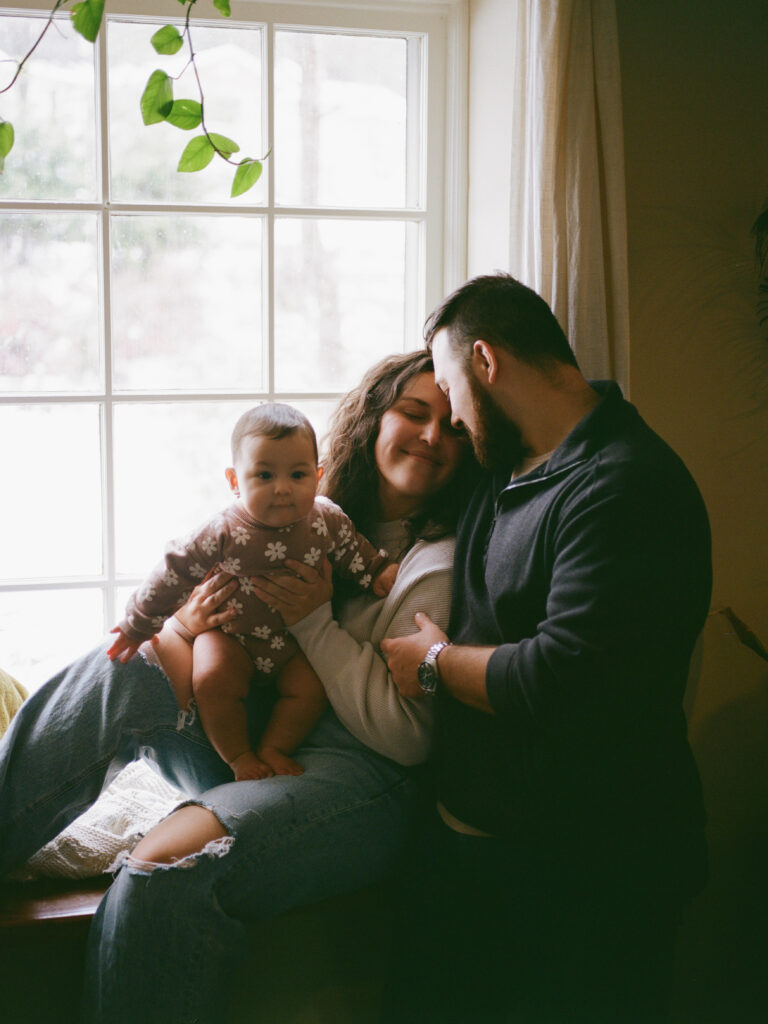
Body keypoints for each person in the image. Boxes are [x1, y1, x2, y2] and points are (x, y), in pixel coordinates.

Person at [0, 350, 471, 1024]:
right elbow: (214, 598)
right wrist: (188, 623)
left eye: (453, 426)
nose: (431, 437)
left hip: (362, 770)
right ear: (376, 416)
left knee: (165, 868)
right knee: (138, 661)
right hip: (256, 722)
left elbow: (406, 737)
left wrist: (313, 621)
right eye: (415, 413)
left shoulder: (439, 559)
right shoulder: (307, 506)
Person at [376, 274, 712, 1024]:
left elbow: (561, 674)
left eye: (453, 392)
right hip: (468, 852)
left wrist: (432, 664)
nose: (453, 424)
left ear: (486, 362)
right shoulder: (507, 465)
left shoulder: (627, 484)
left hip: (591, 871)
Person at [108, 402, 397, 781]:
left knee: (311, 689)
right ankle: (240, 757)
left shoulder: (324, 518)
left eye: (297, 474)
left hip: (295, 642)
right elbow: (175, 570)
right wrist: (138, 623)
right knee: (212, 679)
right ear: (234, 481)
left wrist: (375, 571)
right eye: (263, 475)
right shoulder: (224, 531)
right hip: (232, 637)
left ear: (318, 475)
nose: (282, 489)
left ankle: (274, 747)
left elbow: (350, 549)